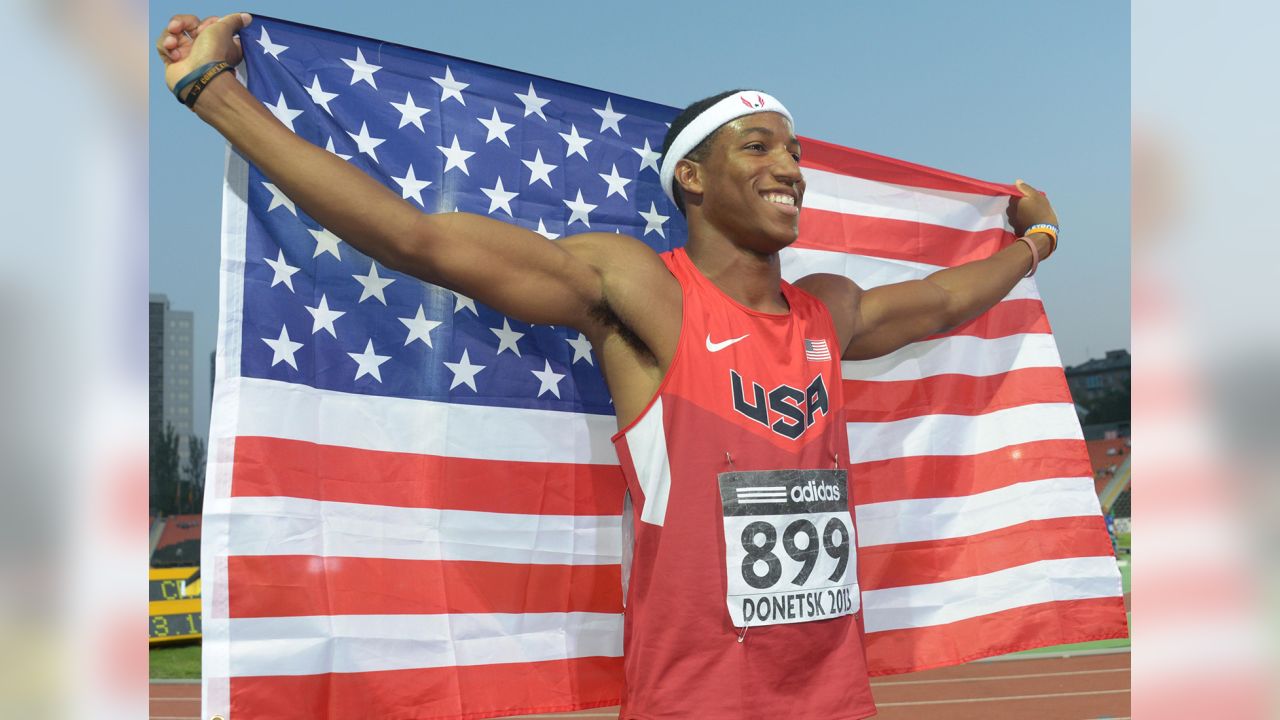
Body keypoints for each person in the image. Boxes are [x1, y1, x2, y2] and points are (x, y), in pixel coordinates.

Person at [157, 13, 1061, 720]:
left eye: (793, 149)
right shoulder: (642, 293)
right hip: (695, 700)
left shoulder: (827, 306)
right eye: (760, 147)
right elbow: (417, 238)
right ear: (694, 181)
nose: (790, 167)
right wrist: (216, 93)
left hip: (830, 693)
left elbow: (942, 304)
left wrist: (1035, 243)